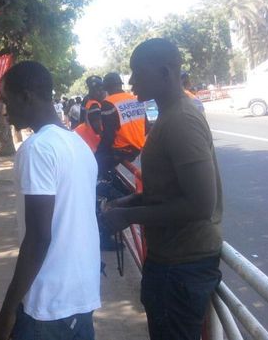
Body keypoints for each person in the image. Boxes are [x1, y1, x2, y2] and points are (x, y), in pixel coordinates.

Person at [102, 39, 223, 340]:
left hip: (182, 267)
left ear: (165, 73)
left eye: (137, 73)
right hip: (171, 264)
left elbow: (199, 205)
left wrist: (131, 216)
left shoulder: (181, 121)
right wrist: (132, 202)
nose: (131, 82)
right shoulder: (168, 118)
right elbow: (171, 192)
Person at [0, 61, 101, 340]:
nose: (3, 111)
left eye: (6, 100)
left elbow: (38, 237)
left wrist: (7, 311)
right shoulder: (78, 144)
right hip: (81, 295)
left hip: (47, 307)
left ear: (26, 96)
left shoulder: (37, 148)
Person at [95, 72, 146, 178]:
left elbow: (109, 136)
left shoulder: (108, 103)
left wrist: (98, 154)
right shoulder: (136, 99)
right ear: (120, 84)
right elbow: (147, 126)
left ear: (107, 87)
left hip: (122, 150)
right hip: (139, 147)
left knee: (95, 165)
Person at [74, 76, 104, 151]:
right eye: (100, 90)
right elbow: (97, 127)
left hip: (86, 136)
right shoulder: (94, 104)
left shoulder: (88, 100)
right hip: (91, 138)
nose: (102, 92)